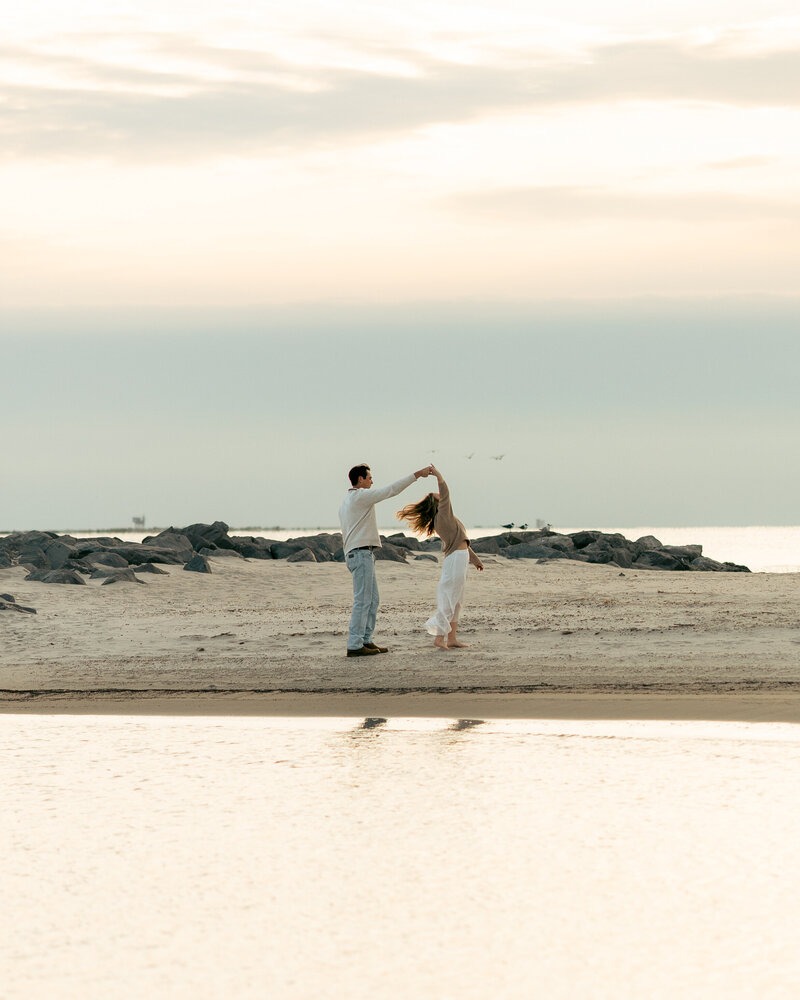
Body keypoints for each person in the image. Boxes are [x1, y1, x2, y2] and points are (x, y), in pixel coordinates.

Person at [339, 462, 433, 657]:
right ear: (360, 479)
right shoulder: (360, 497)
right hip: (360, 553)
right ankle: (355, 644)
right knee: (363, 600)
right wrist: (417, 474)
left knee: (372, 600)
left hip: (360, 553)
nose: (372, 481)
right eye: (369, 478)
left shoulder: (349, 500)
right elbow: (391, 490)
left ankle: (365, 639)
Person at [396, 464, 483, 649]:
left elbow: (462, 541)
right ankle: (439, 638)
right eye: (437, 496)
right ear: (437, 504)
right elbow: (446, 493)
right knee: (450, 599)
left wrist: (475, 560)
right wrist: (438, 476)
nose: (438, 495)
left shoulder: (447, 519)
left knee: (457, 600)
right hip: (455, 560)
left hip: (460, 557)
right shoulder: (443, 516)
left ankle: (452, 639)